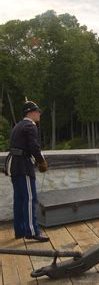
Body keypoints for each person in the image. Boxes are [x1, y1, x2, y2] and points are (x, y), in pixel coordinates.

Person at [4, 99, 49, 242]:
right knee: (30, 199)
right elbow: (34, 147)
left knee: (19, 199)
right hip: (23, 166)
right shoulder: (30, 126)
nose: (39, 115)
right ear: (30, 113)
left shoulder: (17, 126)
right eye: (37, 112)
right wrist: (42, 162)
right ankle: (31, 231)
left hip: (14, 166)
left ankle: (20, 230)